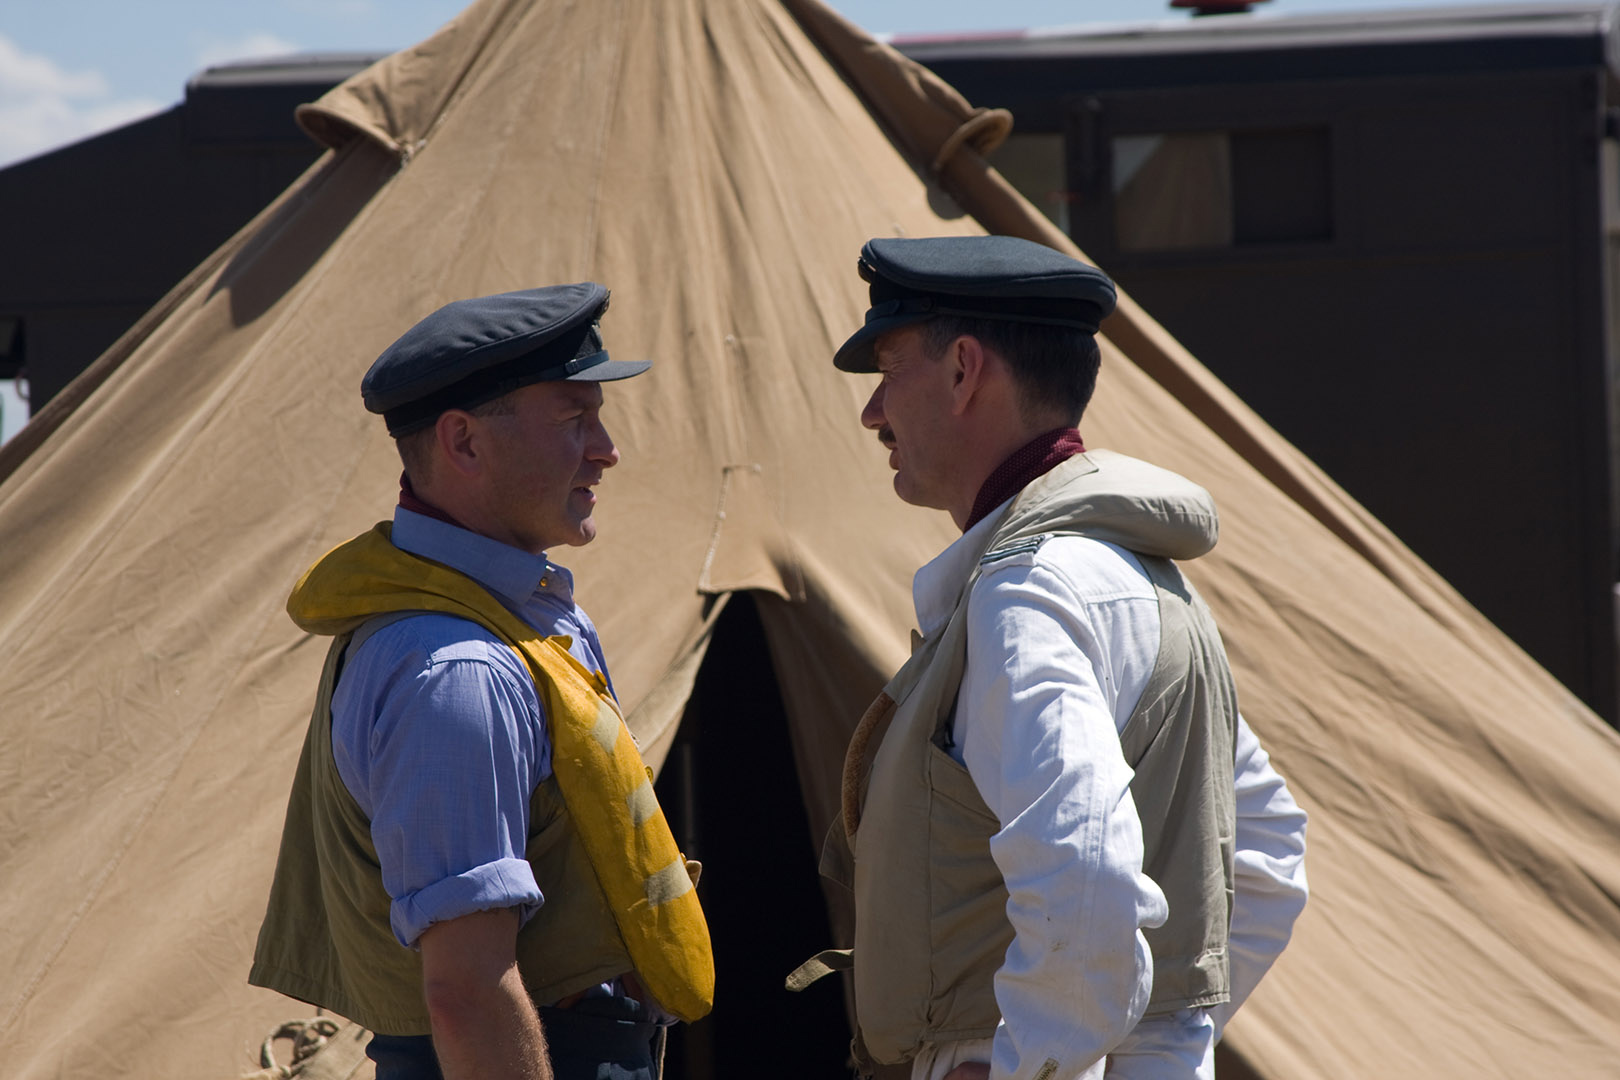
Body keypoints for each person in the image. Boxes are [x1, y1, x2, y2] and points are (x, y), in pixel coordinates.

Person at [810, 236, 1307, 1080]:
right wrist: (1160, 1042)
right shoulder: (1149, 581)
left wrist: (1032, 1061)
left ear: (964, 370)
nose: (872, 413)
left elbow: (1083, 864)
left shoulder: (1027, 595)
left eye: (888, 372)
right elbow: (1265, 857)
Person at [249, 283, 713, 1080]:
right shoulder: (459, 671)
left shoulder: (519, 618)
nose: (606, 448)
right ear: (463, 443)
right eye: (574, 418)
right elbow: (467, 993)